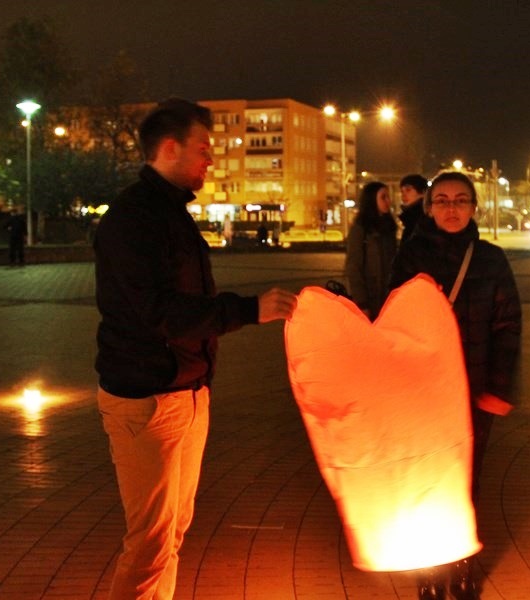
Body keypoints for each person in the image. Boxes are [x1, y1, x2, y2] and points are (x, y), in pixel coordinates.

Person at [93, 98, 297, 600]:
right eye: (204, 148)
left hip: (186, 393)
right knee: (150, 542)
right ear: (169, 148)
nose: (212, 160)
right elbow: (158, 312)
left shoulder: (172, 213)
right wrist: (249, 310)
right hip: (147, 399)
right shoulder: (133, 219)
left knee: (171, 533)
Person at [388, 171, 522, 600]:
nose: (451, 208)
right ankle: (430, 570)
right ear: (428, 208)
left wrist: (498, 388)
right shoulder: (409, 257)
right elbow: (391, 322)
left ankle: (462, 564)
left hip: (473, 389)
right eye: (441, 200)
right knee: (425, 479)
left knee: (466, 480)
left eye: (460, 200)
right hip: (422, 391)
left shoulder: (491, 260)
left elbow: (508, 326)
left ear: (474, 208)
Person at [344, 181, 397, 319]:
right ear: (372, 200)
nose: (388, 201)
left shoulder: (389, 228)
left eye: (388, 196)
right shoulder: (360, 229)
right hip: (370, 299)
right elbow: (353, 267)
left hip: (389, 299)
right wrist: (362, 303)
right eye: (383, 197)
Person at [398, 173, 428, 241]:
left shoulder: (422, 218)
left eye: (408, 190)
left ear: (423, 192)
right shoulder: (409, 217)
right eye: (402, 191)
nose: (403, 195)